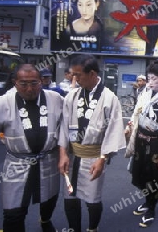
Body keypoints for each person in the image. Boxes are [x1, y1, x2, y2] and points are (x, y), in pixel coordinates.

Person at [0, 64, 64, 232]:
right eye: (23, 84)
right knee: (13, 212)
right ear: (14, 83)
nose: (30, 89)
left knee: (50, 199)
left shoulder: (55, 99)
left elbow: (67, 123)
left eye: (34, 83)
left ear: (41, 81)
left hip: (48, 160)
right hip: (17, 165)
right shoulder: (3, 103)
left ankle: (45, 220)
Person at [58, 54, 125, 232]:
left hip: (94, 156)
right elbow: (64, 126)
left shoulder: (110, 98)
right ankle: (74, 228)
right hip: (73, 155)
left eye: (78, 75)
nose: (75, 79)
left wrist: (103, 158)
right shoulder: (71, 96)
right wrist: (63, 153)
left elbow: (113, 131)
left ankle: (92, 228)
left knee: (93, 199)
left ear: (92, 73)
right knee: (69, 196)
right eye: (73, 75)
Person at [125, 60, 158, 228]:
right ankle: (147, 201)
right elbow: (137, 112)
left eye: (154, 79)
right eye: (149, 78)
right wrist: (130, 125)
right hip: (141, 138)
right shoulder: (144, 92)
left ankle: (152, 208)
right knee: (141, 174)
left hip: (156, 142)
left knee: (154, 176)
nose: (150, 82)